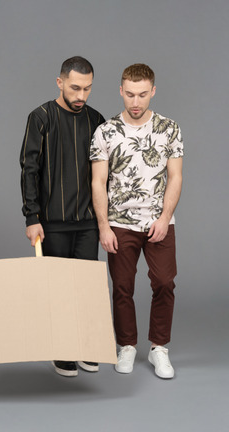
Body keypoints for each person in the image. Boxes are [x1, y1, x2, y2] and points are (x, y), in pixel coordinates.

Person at [90, 64, 183, 379]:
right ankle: (126, 345)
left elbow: (175, 176)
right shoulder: (106, 131)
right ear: (120, 90)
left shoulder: (169, 128)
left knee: (164, 283)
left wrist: (165, 217)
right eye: (130, 94)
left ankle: (159, 348)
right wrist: (104, 225)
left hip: (159, 223)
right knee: (122, 287)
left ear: (153, 91)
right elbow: (98, 181)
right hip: (119, 222)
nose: (136, 101)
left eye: (142, 94)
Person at [20, 56, 105, 377]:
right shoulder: (40, 118)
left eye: (87, 88)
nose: (81, 95)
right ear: (59, 83)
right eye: (74, 88)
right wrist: (32, 217)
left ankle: (85, 347)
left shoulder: (96, 120)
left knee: (86, 288)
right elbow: (29, 170)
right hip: (51, 220)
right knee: (58, 289)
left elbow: (105, 173)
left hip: (88, 222)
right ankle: (62, 352)